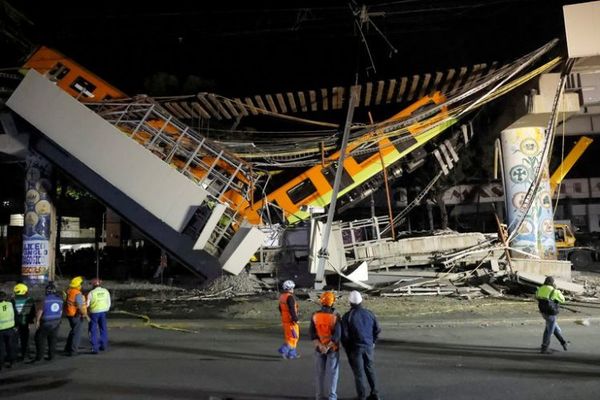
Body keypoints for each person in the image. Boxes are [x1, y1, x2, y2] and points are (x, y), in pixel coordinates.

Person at [342, 290, 382, 400]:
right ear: (361, 301)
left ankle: (362, 396)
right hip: (368, 346)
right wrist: (373, 341)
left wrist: (348, 350)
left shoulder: (347, 316)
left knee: (359, 374)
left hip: (355, 348)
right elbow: (377, 329)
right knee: (370, 370)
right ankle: (375, 394)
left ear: (350, 302)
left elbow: (344, 336)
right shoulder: (369, 313)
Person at [310, 291, 342, 400]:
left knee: (319, 374)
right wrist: (327, 347)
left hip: (319, 349)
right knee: (333, 373)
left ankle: (319, 396)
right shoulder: (335, 317)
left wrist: (320, 346)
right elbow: (337, 336)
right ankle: (332, 396)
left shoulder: (315, 316)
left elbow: (312, 334)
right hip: (332, 348)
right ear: (333, 302)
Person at [536, 276, 569, 354]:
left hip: (543, 312)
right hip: (551, 313)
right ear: (552, 282)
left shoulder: (540, 288)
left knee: (553, 328)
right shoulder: (554, 291)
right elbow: (563, 300)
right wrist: (556, 291)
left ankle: (563, 343)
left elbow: (537, 297)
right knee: (548, 331)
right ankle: (544, 348)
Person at [34, 282, 63, 362]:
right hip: (56, 322)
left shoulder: (44, 300)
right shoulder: (60, 300)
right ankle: (51, 356)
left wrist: (37, 321)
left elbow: (40, 311)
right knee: (53, 340)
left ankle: (40, 357)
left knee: (40, 339)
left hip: (46, 322)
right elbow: (60, 311)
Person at [64, 276, 89, 356]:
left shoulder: (69, 291)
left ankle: (68, 348)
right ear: (78, 285)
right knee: (77, 333)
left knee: (73, 331)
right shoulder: (77, 293)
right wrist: (86, 315)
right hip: (76, 315)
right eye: (81, 284)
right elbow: (79, 305)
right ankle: (73, 350)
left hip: (69, 314)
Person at [86, 278, 111, 354]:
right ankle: (103, 345)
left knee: (93, 330)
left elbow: (87, 304)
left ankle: (95, 348)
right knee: (103, 329)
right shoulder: (105, 291)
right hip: (103, 312)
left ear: (93, 285)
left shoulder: (91, 293)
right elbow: (109, 302)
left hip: (94, 313)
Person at [12, 282, 35, 360]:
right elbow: (32, 312)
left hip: (14, 323)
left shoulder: (12, 300)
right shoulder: (30, 300)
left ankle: (13, 356)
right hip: (25, 322)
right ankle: (25, 355)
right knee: (25, 339)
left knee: (14, 340)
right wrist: (30, 321)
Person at [278, 279, 300, 359]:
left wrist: (284, 315)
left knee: (289, 337)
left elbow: (280, 308)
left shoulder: (282, 297)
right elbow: (291, 309)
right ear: (290, 288)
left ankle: (292, 354)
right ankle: (283, 349)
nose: (293, 289)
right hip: (291, 321)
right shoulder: (290, 297)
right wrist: (295, 319)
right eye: (292, 288)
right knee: (294, 337)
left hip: (285, 320)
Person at [0, 291, 17, 370]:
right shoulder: (10, 304)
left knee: (1, 348)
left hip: (1, 330)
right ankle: (12, 362)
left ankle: (1, 365)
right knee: (10, 346)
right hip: (10, 328)